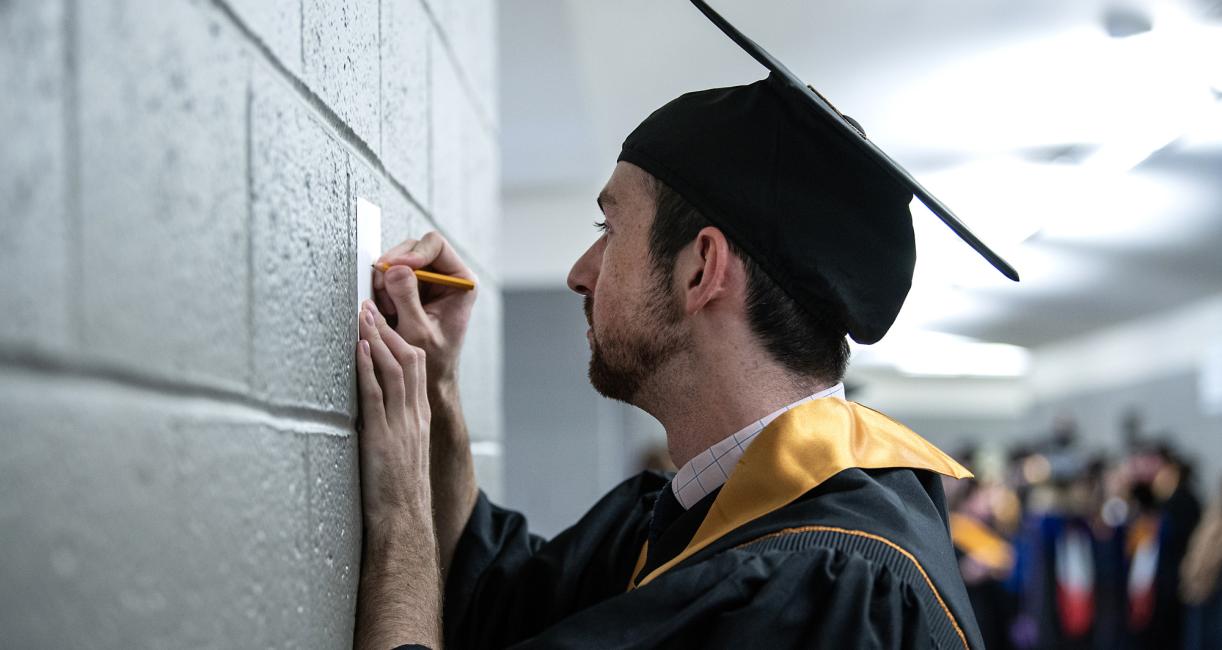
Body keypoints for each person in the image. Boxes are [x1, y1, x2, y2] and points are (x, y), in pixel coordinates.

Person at [349, 2, 1018, 648]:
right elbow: (499, 600)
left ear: (701, 269)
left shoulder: (818, 590)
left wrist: (398, 509)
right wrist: (436, 392)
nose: (581, 272)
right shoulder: (707, 513)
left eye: (609, 229)